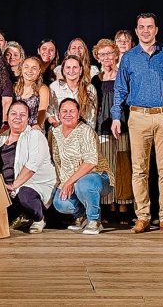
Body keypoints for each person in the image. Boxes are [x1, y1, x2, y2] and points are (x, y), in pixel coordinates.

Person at [112, 12, 163, 234]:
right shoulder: (129, 58)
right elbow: (120, 88)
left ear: (156, 30)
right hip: (138, 116)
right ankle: (142, 216)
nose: (145, 31)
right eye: (141, 27)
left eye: (149, 27)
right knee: (139, 170)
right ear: (136, 30)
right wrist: (115, 116)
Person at [51, 99, 113, 235]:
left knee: (84, 184)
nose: (68, 114)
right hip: (69, 180)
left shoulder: (86, 131)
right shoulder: (54, 133)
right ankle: (83, 216)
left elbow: (91, 163)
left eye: (72, 111)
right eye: (64, 111)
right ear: (59, 115)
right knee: (60, 203)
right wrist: (66, 183)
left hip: (97, 177)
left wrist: (70, 182)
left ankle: (94, 220)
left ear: (78, 114)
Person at [0, 101, 57, 233]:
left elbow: (32, 166)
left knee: (25, 195)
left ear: (29, 118)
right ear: (7, 116)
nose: (17, 117)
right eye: (13, 113)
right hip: (6, 189)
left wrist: (13, 186)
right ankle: (23, 215)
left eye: (22, 114)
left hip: (32, 185)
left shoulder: (35, 136)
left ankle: (39, 218)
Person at [91, 39, 134, 223]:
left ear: (117, 54)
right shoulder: (96, 79)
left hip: (123, 123)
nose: (106, 57)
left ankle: (124, 202)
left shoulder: (124, 75)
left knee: (123, 164)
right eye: (102, 54)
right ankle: (108, 204)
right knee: (106, 166)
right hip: (103, 126)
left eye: (110, 53)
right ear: (97, 57)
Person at [48, 55, 98, 128]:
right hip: (58, 130)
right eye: (68, 67)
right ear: (63, 70)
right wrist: (57, 126)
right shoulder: (54, 87)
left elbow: (92, 116)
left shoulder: (89, 88)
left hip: (82, 132)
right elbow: (48, 112)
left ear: (80, 70)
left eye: (75, 67)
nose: (71, 71)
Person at [14, 56, 49, 130]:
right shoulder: (15, 87)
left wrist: (38, 125)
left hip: (34, 130)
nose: (30, 71)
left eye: (34, 68)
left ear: (39, 71)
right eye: (26, 67)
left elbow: (43, 110)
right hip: (16, 128)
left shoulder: (42, 89)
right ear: (21, 69)